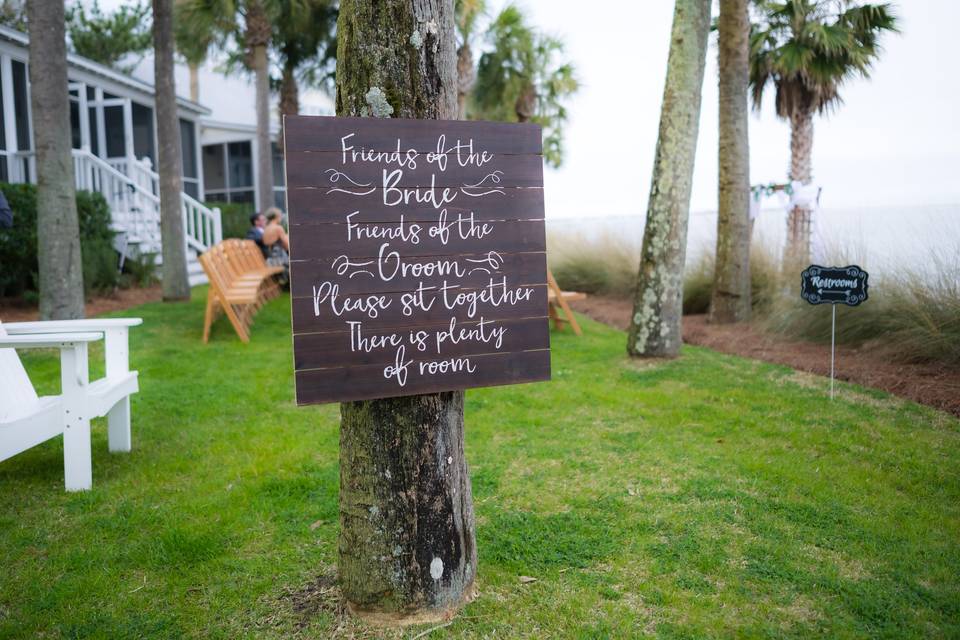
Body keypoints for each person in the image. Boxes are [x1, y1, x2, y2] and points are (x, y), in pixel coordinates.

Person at [262, 207, 290, 285]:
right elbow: (287, 245)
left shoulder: (266, 228)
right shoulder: (278, 228)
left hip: (269, 260)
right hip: (279, 259)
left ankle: (283, 281)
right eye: (280, 216)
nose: (281, 218)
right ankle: (286, 282)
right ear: (277, 216)